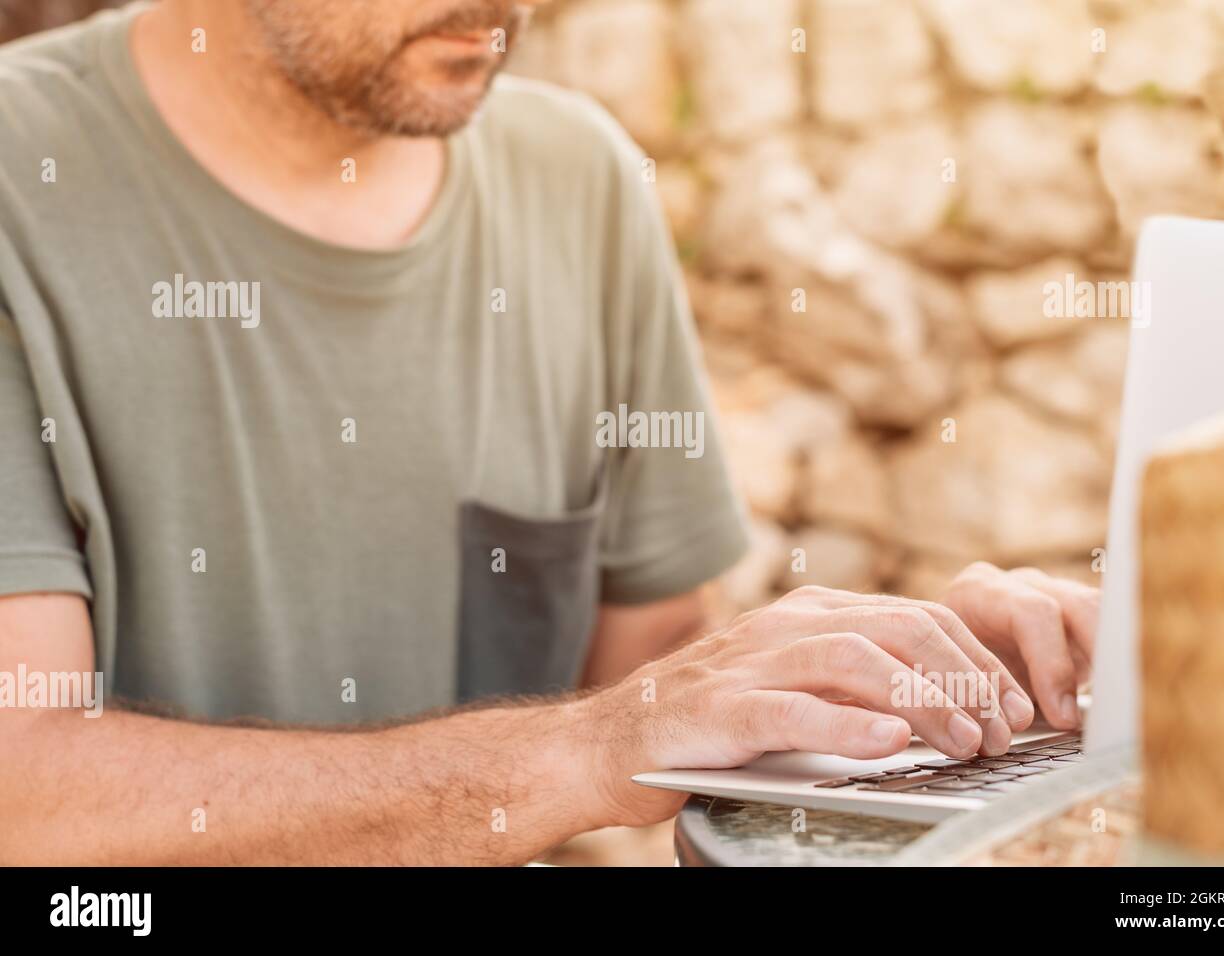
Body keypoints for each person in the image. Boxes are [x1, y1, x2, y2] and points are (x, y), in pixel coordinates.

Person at [0, 0, 1097, 864]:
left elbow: (650, 669)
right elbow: (26, 794)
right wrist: (583, 749)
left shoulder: (581, 181)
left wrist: (908, 687)